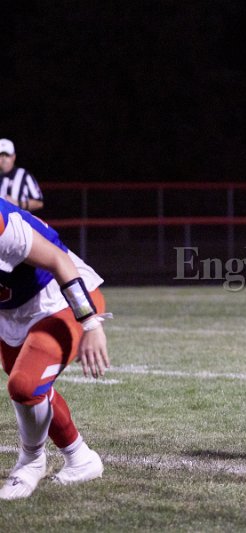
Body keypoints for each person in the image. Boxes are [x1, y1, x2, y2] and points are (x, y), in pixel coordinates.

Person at [0, 197, 110, 499]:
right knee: (31, 387)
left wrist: (90, 323)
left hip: (57, 297)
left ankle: (31, 461)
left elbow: (59, 261)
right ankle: (80, 458)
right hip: (11, 309)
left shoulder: (3, 226)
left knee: (25, 385)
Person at [0, 138, 44, 212]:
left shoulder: (24, 176)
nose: (4, 159)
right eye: (1, 155)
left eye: (7, 155)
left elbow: (39, 203)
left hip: (19, 218)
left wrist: (19, 204)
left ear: (14, 157)